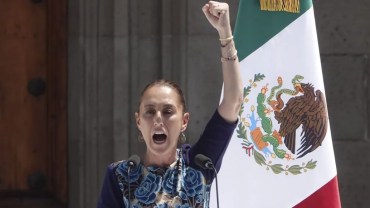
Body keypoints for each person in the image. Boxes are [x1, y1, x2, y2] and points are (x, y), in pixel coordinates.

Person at [97, 1, 242, 207]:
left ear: (184, 121)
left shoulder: (199, 163)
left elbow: (233, 101)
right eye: (149, 112)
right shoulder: (120, 176)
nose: (158, 118)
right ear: (138, 121)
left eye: (167, 111)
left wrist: (225, 35)